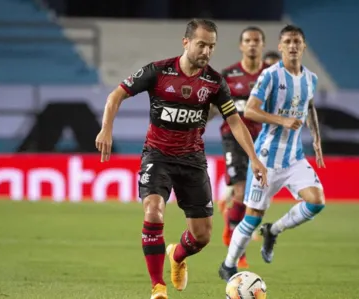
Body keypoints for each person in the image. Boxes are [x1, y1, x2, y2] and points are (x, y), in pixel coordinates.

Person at [94, 19, 268, 299]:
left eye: (211, 46)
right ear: (186, 42)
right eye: (201, 44)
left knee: (202, 237)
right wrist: (106, 128)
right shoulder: (158, 71)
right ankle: (157, 287)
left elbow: (235, 122)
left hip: (192, 161)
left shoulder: (214, 82)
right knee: (153, 211)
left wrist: (254, 159)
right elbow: (116, 95)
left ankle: (177, 254)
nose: (206, 51)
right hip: (157, 156)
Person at [218, 24, 326, 281]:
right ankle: (229, 264)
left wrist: (317, 141)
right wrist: (282, 120)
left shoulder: (311, 78)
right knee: (252, 216)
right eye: (287, 41)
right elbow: (251, 111)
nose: (292, 46)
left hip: (294, 157)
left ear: (303, 46)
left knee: (316, 201)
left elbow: (309, 107)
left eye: (296, 41)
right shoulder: (269, 76)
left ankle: (273, 231)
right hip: (266, 158)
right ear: (279, 46)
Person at [211, 26, 269, 269]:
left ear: (262, 44)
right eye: (248, 40)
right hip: (233, 139)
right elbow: (214, 107)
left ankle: (231, 224)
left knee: (254, 197)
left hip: (264, 140)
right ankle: (237, 248)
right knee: (241, 190)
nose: (252, 44)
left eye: (256, 40)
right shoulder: (229, 75)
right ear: (241, 45)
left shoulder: (273, 75)